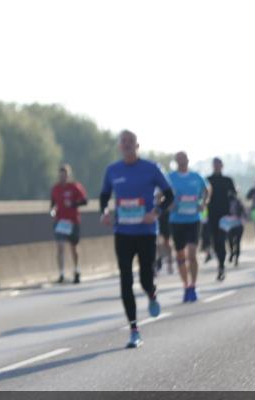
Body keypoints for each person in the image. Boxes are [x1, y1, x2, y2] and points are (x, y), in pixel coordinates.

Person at [99, 130, 174, 349]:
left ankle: (151, 293)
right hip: (122, 232)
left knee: (144, 278)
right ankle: (134, 329)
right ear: (119, 146)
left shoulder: (151, 168)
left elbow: (169, 195)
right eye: (123, 142)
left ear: (137, 145)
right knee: (125, 279)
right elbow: (104, 195)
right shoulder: (113, 170)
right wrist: (103, 211)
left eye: (131, 142)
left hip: (146, 231)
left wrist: (156, 212)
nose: (127, 145)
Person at [166, 151, 208, 303]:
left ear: (188, 160)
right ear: (176, 161)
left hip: (193, 219)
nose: (182, 161)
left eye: (184, 158)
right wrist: (166, 204)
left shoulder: (196, 177)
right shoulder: (170, 177)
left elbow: (207, 191)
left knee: (192, 253)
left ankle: (193, 285)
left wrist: (204, 203)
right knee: (180, 256)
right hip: (176, 220)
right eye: (179, 159)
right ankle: (185, 285)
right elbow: (159, 194)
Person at [49, 164, 88, 284]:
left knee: (73, 247)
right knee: (60, 247)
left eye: (64, 175)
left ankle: (76, 270)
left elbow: (85, 201)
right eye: (60, 175)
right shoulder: (55, 188)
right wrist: (52, 210)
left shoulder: (75, 187)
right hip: (60, 221)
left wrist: (73, 205)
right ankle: (61, 274)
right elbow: (52, 204)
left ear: (68, 176)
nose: (62, 178)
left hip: (72, 221)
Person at [206, 157, 238, 281]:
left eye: (219, 164)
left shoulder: (227, 180)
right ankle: (220, 262)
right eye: (215, 164)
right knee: (215, 241)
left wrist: (233, 196)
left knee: (221, 239)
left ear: (222, 166)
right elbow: (202, 194)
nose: (217, 166)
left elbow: (234, 195)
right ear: (213, 166)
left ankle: (221, 266)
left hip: (224, 215)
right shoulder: (208, 180)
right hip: (212, 214)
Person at [222, 196, 247, 267]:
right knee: (231, 241)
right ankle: (232, 254)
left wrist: (243, 219)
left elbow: (244, 212)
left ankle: (236, 258)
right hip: (230, 225)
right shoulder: (225, 202)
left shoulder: (238, 202)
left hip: (237, 224)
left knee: (236, 242)